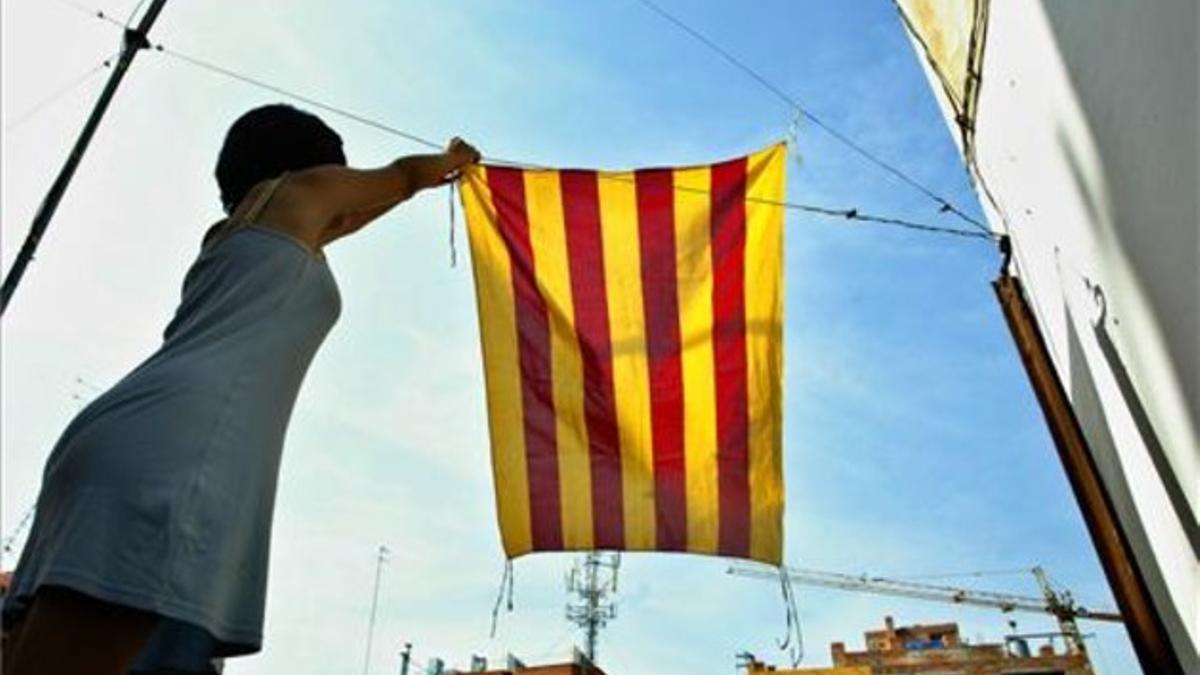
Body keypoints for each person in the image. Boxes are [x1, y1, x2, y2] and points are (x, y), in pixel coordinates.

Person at [0, 103, 480, 675]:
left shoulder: (251, 229)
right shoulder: (301, 193)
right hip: (179, 453)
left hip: (140, 438)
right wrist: (454, 160)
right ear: (316, 168)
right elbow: (400, 177)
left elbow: (358, 212)